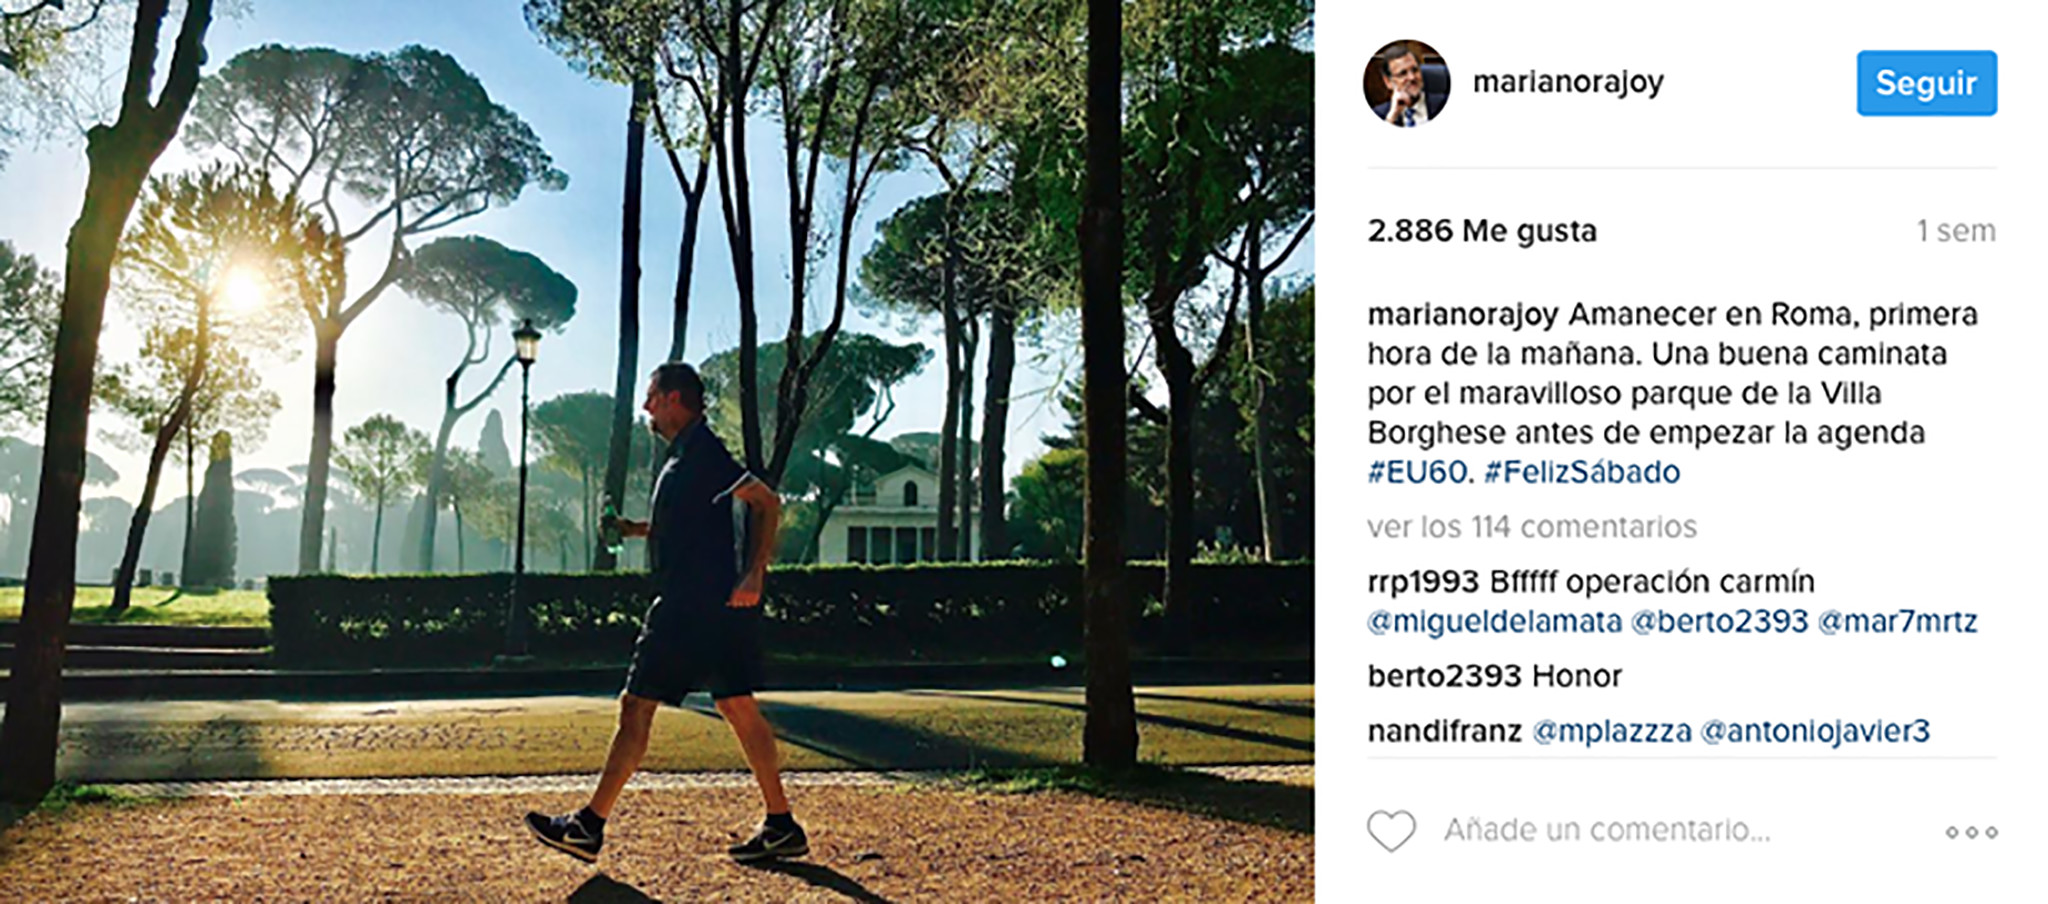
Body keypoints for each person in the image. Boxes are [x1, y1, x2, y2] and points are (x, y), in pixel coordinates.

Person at [525, 362, 804, 864]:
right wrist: (634, 530)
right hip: (712, 608)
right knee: (737, 706)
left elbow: (766, 501)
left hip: (688, 607)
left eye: (652, 396)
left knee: (636, 705)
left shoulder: (705, 453)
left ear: (675, 398)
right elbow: (689, 525)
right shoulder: (684, 456)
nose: (647, 406)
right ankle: (782, 825)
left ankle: (588, 826)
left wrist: (754, 574)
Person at [1372, 42, 1448, 127]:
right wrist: (1392, 118)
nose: (1412, 77)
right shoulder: (1380, 114)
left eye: (1415, 70)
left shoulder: (1444, 103)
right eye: (1403, 73)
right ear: (1388, 82)